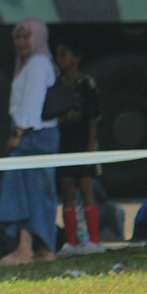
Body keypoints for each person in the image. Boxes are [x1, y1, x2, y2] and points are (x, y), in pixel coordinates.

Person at [0, 17, 60, 265]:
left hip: (34, 136)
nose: (20, 42)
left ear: (38, 37)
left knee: (28, 193)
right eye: (17, 37)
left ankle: (27, 249)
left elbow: (32, 102)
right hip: (32, 135)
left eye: (25, 36)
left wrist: (18, 134)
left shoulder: (39, 63)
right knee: (33, 193)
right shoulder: (31, 63)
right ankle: (40, 248)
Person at [53, 38, 105, 256]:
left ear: (76, 58)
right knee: (67, 190)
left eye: (64, 54)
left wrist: (91, 146)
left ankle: (94, 239)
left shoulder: (86, 83)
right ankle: (71, 242)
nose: (59, 59)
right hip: (64, 142)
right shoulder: (57, 83)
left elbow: (93, 117)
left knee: (86, 187)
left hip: (83, 142)